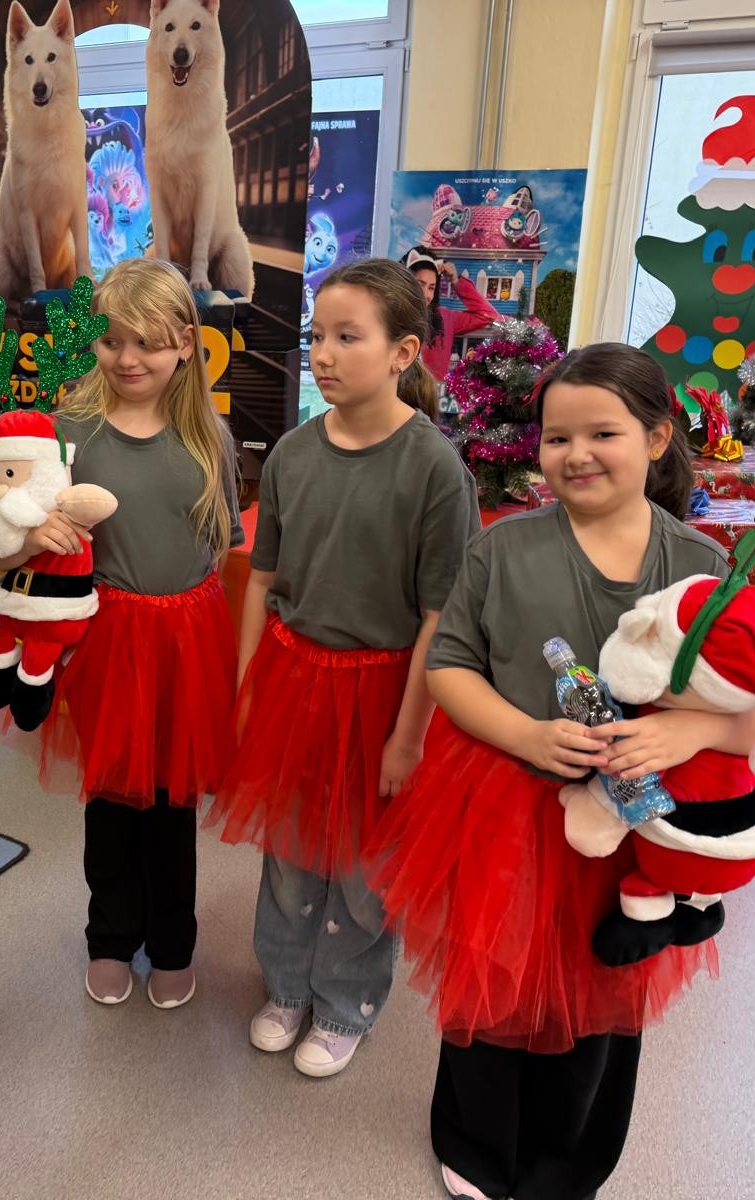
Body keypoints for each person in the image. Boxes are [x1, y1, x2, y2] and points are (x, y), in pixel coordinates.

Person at [367, 343, 755, 1200]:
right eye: (557, 437)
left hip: (636, 823)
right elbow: (450, 665)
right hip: (503, 802)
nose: (576, 454)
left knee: (603, 988)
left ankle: (571, 1156)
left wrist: (688, 732)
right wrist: (525, 734)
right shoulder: (502, 549)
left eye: (603, 434)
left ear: (657, 438)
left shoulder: (701, 566)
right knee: (492, 978)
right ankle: (477, 1144)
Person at [205, 258, 478, 1077]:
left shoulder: (435, 469)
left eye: (347, 337)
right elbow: (263, 582)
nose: (322, 354)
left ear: (403, 353)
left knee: (364, 865)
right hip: (294, 679)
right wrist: (247, 687)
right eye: (315, 335)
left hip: (384, 691)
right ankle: (287, 985)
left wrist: (408, 736)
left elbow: (439, 618)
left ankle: (346, 1002)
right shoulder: (292, 454)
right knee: (291, 849)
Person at [9, 257, 241, 1009]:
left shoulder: (210, 439)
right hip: (106, 639)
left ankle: (172, 942)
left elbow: (219, 546)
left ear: (184, 345)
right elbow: (12, 538)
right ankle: (109, 937)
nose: (128, 358)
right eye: (112, 342)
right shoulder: (68, 433)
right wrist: (29, 535)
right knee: (110, 801)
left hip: (187, 643)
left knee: (173, 805)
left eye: (147, 342)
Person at [402, 246, 499, 378]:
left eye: (431, 288)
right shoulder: (389, 315)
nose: (425, 294)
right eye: (420, 284)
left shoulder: (444, 318)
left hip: (433, 389)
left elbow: (487, 315)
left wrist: (456, 281)